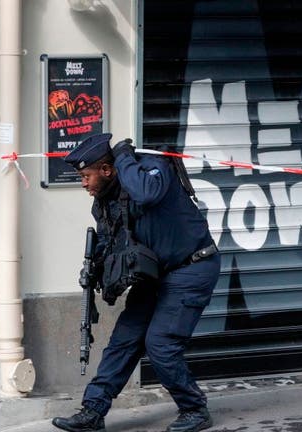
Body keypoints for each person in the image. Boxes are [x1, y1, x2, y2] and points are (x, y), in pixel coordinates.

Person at [52, 133, 220, 432]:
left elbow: (147, 194)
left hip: (191, 266)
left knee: (161, 343)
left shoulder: (153, 168)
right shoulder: (105, 201)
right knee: (124, 339)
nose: (84, 184)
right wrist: (94, 271)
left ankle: (195, 410)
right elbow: (108, 240)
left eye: (86, 176)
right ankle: (93, 411)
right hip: (155, 275)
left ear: (106, 169)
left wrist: (124, 156)